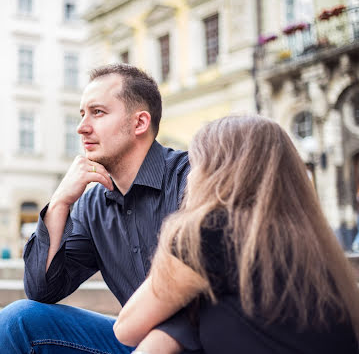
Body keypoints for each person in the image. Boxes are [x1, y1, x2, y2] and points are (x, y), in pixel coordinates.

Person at [0, 64, 199, 353]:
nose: (82, 127)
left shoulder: (193, 177)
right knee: (18, 322)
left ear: (139, 123)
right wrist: (60, 202)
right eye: (82, 114)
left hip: (205, 340)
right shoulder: (92, 205)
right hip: (137, 343)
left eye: (97, 112)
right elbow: (43, 289)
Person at [114, 115, 359, 353]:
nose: (189, 176)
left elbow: (126, 329)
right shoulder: (306, 239)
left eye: (196, 164)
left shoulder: (213, 230)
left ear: (215, 171)